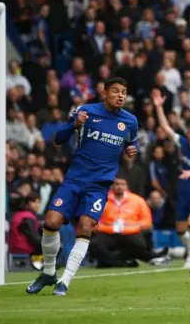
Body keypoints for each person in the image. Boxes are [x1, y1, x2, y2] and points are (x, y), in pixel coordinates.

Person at [26, 77, 139, 296]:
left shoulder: (130, 121)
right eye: (115, 91)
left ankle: (64, 282)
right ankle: (49, 272)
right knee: (51, 222)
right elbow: (58, 139)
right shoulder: (86, 111)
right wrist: (74, 125)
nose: (120, 96)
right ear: (104, 92)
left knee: (86, 226)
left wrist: (132, 150)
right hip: (75, 179)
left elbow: (131, 143)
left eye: (123, 92)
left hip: (99, 185)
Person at [152, 89, 190, 269]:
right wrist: (159, 108)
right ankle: (189, 250)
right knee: (181, 230)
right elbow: (165, 128)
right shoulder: (183, 143)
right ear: (188, 134)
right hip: (184, 192)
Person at [89, 176, 168, 268]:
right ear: (111, 186)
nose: (119, 186)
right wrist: (107, 228)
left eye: (122, 184)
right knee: (94, 245)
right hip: (107, 233)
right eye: (117, 184)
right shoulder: (101, 200)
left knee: (139, 245)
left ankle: (109, 262)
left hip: (130, 232)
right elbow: (93, 220)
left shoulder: (138, 200)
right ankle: (123, 262)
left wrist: (133, 227)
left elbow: (147, 221)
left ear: (127, 186)